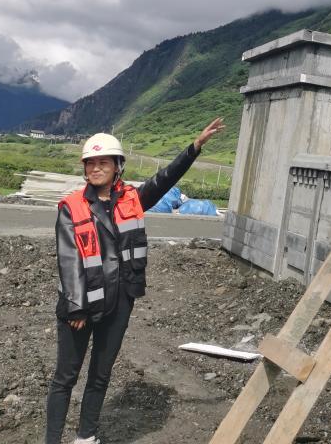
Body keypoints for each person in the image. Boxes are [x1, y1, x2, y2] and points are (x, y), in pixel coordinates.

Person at [44, 118, 226, 444]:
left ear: (117, 166)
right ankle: (52, 439)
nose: (96, 168)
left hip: (119, 302)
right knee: (65, 378)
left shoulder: (132, 198)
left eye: (103, 162)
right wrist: (75, 309)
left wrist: (194, 147)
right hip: (81, 308)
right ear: (84, 168)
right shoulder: (72, 207)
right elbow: (68, 260)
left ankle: (86, 436)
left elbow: (164, 179)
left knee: (100, 375)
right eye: (90, 163)